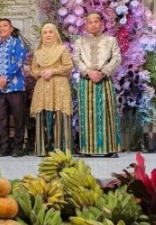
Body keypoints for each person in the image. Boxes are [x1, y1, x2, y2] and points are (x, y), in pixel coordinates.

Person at [72, 12, 122, 157]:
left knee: (107, 113)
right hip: (86, 81)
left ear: (102, 24)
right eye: (90, 22)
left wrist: (105, 71)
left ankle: (111, 149)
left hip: (104, 79)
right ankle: (87, 149)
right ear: (86, 25)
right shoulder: (80, 41)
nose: (93, 24)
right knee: (86, 115)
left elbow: (117, 58)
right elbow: (76, 58)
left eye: (96, 21)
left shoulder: (111, 40)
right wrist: (88, 72)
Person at [30, 23, 74, 156]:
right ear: (42, 36)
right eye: (45, 32)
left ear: (55, 34)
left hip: (59, 87)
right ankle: (43, 150)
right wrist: (40, 73)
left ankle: (61, 151)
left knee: (60, 115)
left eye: (51, 32)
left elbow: (68, 66)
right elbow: (33, 70)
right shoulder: (38, 52)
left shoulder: (62, 49)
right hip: (43, 87)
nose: (48, 35)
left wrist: (52, 71)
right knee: (43, 116)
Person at [0, 18, 28, 157]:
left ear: (11, 29)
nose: (2, 28)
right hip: (0, 88)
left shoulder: (18, 44)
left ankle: (18, 147)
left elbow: (19, 62)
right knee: (1, 119)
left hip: (16, 87)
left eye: (5, 26)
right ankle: (4, 147)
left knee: (18, 118)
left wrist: (6, 78)